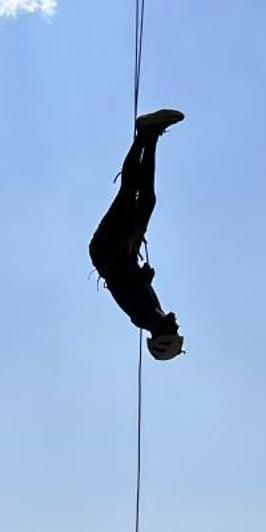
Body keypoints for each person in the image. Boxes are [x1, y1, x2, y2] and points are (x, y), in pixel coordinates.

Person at [89, 108, 185, 359]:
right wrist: (145, 279)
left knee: (131, 192)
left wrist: (129, 253)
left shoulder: (147, 315)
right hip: (117, 251)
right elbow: (131, 285)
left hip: (111, 250)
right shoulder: (152, 314)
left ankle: (145, 135)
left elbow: (121, 284)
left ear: (162, 336)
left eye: (174, 332)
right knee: (146, 200)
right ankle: (149, 139)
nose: (177, 326)